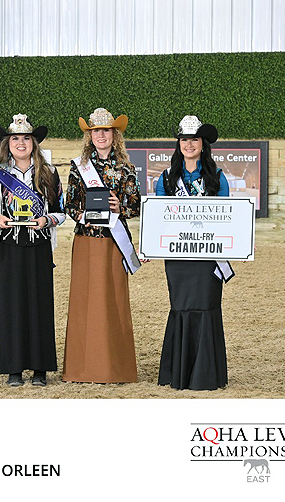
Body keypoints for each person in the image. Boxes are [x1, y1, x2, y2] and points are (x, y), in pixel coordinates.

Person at [0, 114, 65, 386]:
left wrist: (46, 220)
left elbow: (61, 212)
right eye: (15, 138)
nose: (21, 143)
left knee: (40, 306)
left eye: (26, 138)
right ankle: (13, 368)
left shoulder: (49, 173)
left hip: (39, 245)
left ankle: (40, 369)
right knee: (10, 307)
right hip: (8, 246)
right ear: (8, 143)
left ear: (33, 143)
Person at [62, 108, 141, 384]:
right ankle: (80, 368)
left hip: (113, 243)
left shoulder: (127, 168)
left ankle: (116, 368)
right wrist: (83, 214)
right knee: (84, 302)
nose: (101, 135)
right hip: (86, 240)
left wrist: (121, 207)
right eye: (96, 131)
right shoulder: (79, 167)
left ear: (114, 134)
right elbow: (69, 204)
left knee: (113, 301)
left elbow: (135, 206)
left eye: (106, 130)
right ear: (90, 136)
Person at [155, 115, 232, 390]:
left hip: (207, 256)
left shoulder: (217, 177)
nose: (189, 144)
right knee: (181, 307)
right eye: (184, 139)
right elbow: (159, 219)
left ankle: (205, 374)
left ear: (203, 144)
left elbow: (228, 217)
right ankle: (180, 372)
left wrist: (240, 241)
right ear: (179, 143)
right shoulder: (166, 179)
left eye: (194, 139)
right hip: (178, 257)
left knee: (207, 306)